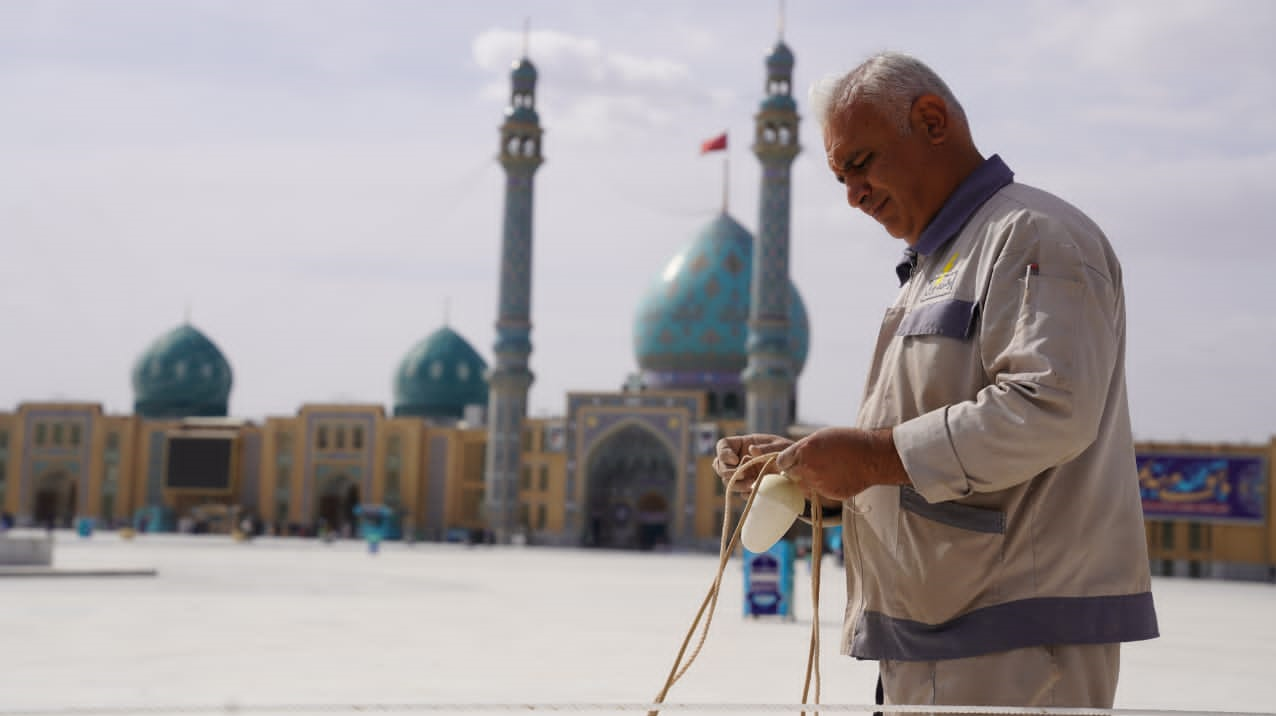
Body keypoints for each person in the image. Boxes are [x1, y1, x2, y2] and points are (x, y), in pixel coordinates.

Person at [714, 51, 1158, 711]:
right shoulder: (935, 268)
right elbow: (916, 460)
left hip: (1015, 641)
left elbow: (1050, 410)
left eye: (859, 164)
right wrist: (807, 474)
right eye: (838, 177)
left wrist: (868, 456)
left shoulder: (1033, 237)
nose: (852, 195)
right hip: (933, 634)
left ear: (930, 121)